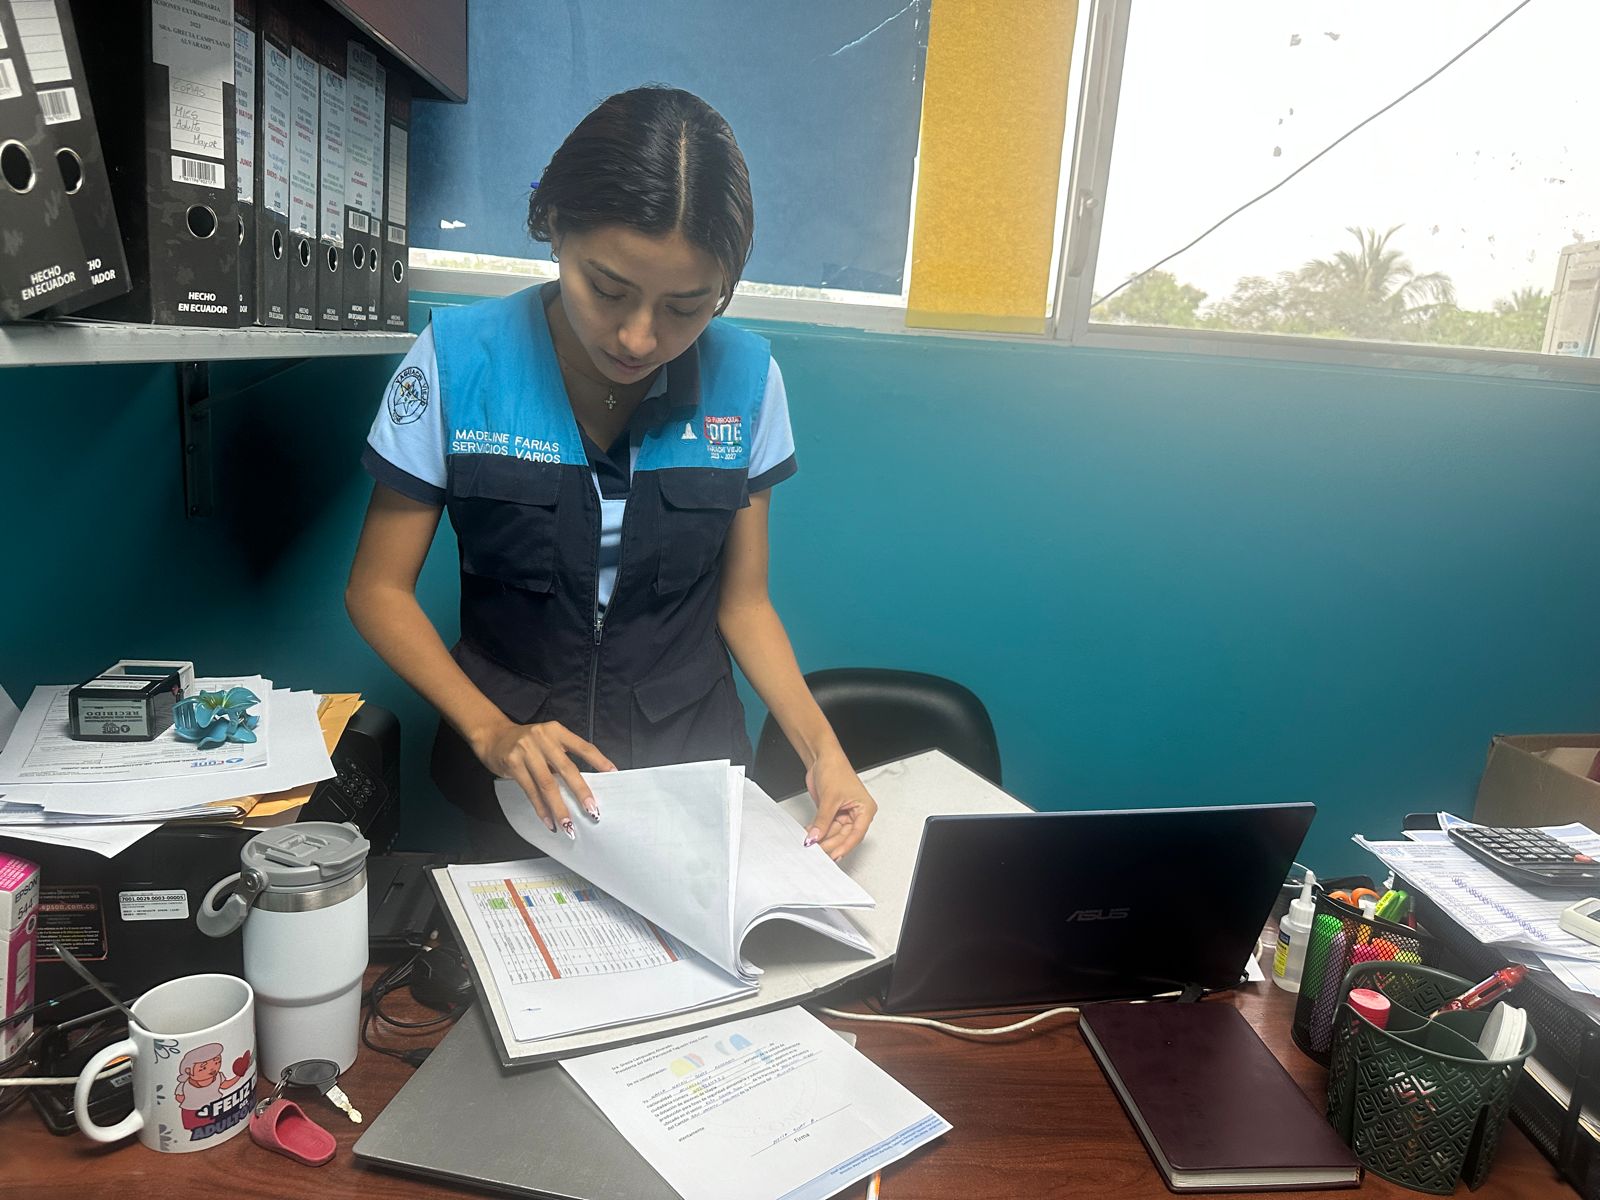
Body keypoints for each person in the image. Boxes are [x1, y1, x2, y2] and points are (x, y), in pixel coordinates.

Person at [346, 86, 877, 861]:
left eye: (686, 307)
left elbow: (745, 604)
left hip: (687, 779)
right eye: (607, 289)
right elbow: (377, 589)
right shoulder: (457, 363)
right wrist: (492, 730)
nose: (638, 337)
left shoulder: (749, 381)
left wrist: (824, 754)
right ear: (556, 229)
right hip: (514, 787)